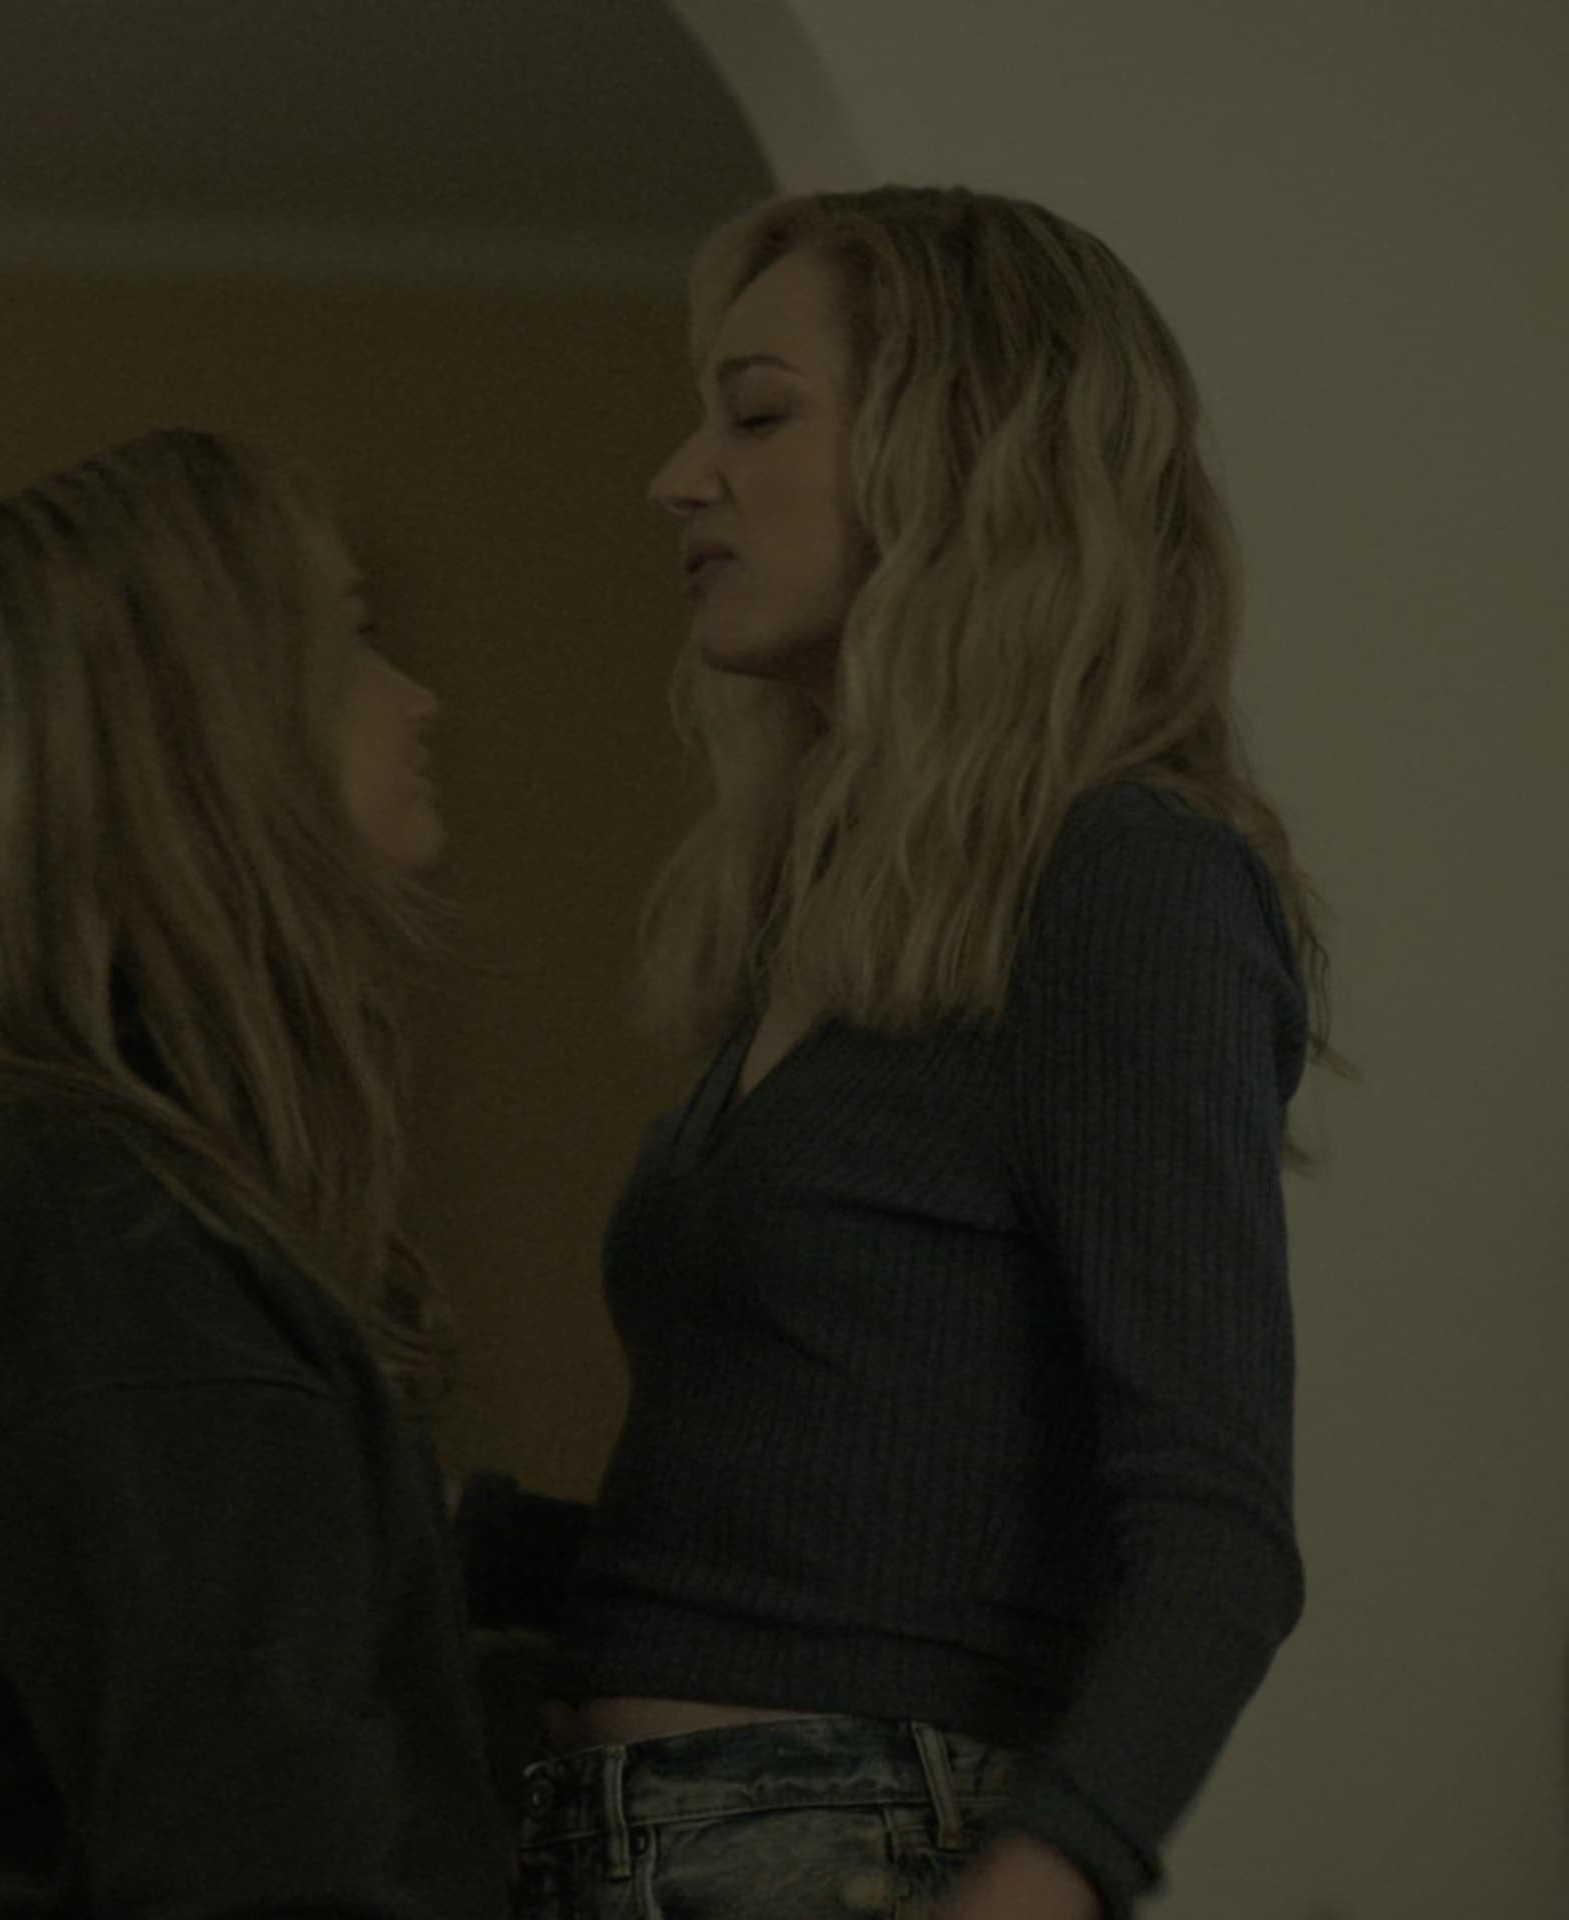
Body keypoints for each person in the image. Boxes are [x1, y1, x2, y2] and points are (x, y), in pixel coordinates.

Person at [460, 186, 1327, 1920]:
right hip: (632, 1843)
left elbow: (1216, 1532)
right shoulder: (835, 902)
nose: (679, 477)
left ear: (963, 457)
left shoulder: (1128, 882)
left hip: (859, 1850)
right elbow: (815, 1529)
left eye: (756, 414)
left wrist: (1044, 1880)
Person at [0, 428, 502, 1918]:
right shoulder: (97, 1217)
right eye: (350, 644)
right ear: (209, 715)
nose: (416, 699)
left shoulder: (67, 1179)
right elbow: (252, 1851)